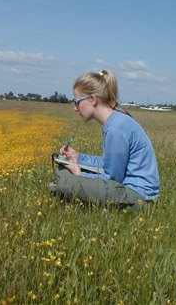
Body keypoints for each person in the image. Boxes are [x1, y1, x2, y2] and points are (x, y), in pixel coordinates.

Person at [51, 70, 160, 210]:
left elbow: (112, 178)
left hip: (139, 198)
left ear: (92, 99)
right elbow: (108, 164)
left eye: (76, 102)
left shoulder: (115, 128)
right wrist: (78, 157)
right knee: (65, 172)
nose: (74, 108)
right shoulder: (116, 122)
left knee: (67, 179)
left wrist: (79, 173)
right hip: (134, 192)